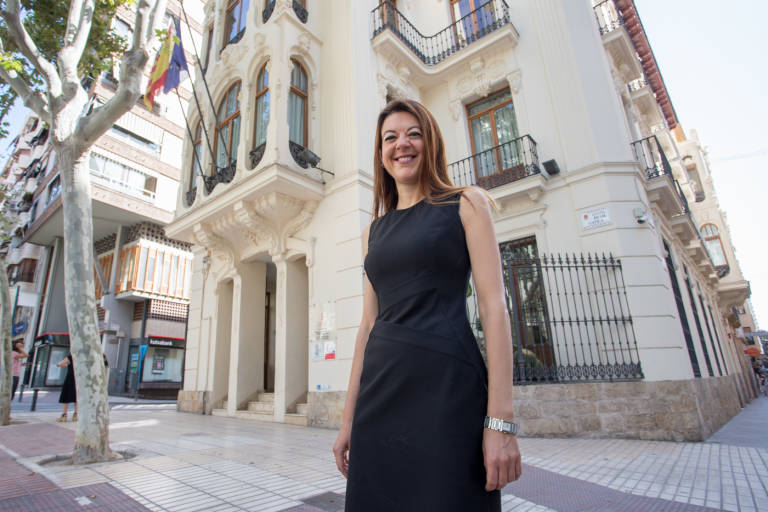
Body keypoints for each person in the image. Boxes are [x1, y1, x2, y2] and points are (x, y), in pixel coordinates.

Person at [333, 99, 521, 511]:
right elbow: (368, 326)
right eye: (390, 137)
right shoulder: (372, 233)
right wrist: (348, 420)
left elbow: (494, 308)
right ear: (381, 153)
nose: (402, 144)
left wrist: (501, 423)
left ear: (431, 142)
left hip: (448, 396)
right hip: (379, 401)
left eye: (413, 134)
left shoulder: (466, 203)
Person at [56, 353, 77, 422]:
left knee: (65, 396)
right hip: (79, 379)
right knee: (77, 397)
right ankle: (76, 415)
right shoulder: (81, 356)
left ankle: (64, 415)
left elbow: (59, 364)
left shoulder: (71, 356)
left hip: (70, 379)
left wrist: (65, 365)